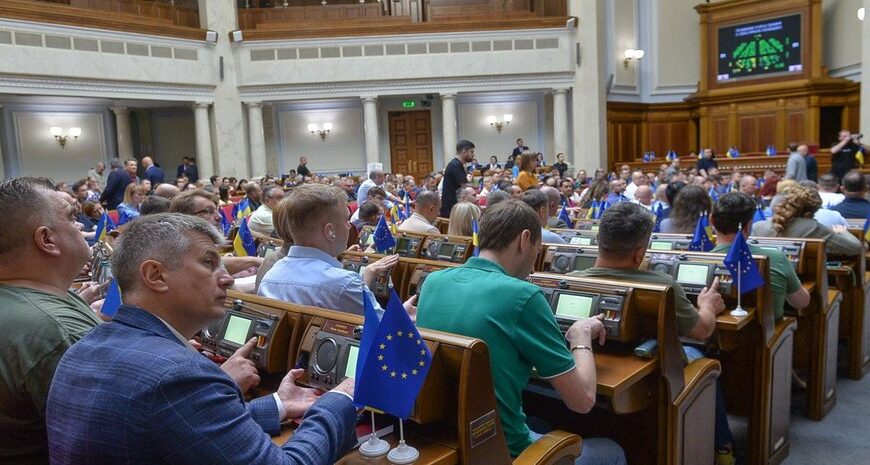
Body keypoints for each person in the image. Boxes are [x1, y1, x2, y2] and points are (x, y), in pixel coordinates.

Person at [45, 214, 358, 465]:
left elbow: (180, 427)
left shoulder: (87, 345)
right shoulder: (178, 374)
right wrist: (338, 400)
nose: (227, 278)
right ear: (155, 275)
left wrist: (278, 404)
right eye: (209, 263)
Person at [416, 200, 626, 465]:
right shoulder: (523, 296)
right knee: (612, 449)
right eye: (538, 249)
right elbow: (582, 401)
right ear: (525, 239)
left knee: (539, 418)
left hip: (450, 440)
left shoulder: (433, 281)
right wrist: (581, 335)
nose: (535, 261)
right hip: (505, 450)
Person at [568, 202, 733, 462]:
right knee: (699, 355)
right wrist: (708, 306)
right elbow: (702, 330)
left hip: (587, 377)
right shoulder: (662, 285)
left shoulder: (573, 279)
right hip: (656, 379)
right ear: (639, 253)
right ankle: (723, 447)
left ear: (600, 241)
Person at [0, 178, 101, 465]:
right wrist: (220, 382)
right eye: (71, 217)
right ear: (46, 240)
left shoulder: (30, 298)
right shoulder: (56, 331)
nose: (80, 225)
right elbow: (123, 432)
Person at [259, 184, 414, 317]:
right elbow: (386, 331)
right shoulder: (345, 284)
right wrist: (403, 312)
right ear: (329, 231)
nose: (349, 226)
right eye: (346, 220)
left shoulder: (270, 277)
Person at [710, 192, 810, 319]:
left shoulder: (698, 260)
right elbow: (801, 302)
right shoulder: (776, 257)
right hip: (773, 335)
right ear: (749, 226)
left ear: (711, 220)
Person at [751, 183, 864, 256]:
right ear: (809, 213)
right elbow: (856, 248)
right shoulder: (812, 227)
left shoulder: (758, 226)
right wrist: (843, 231)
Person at [441, 140, 475, 218]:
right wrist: (474, 185)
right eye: (471, 152)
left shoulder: (457, 164)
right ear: (464, 152)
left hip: (454, 205)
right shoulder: (455, 165)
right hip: (451, 206)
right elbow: (465, 186)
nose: (473, 155)